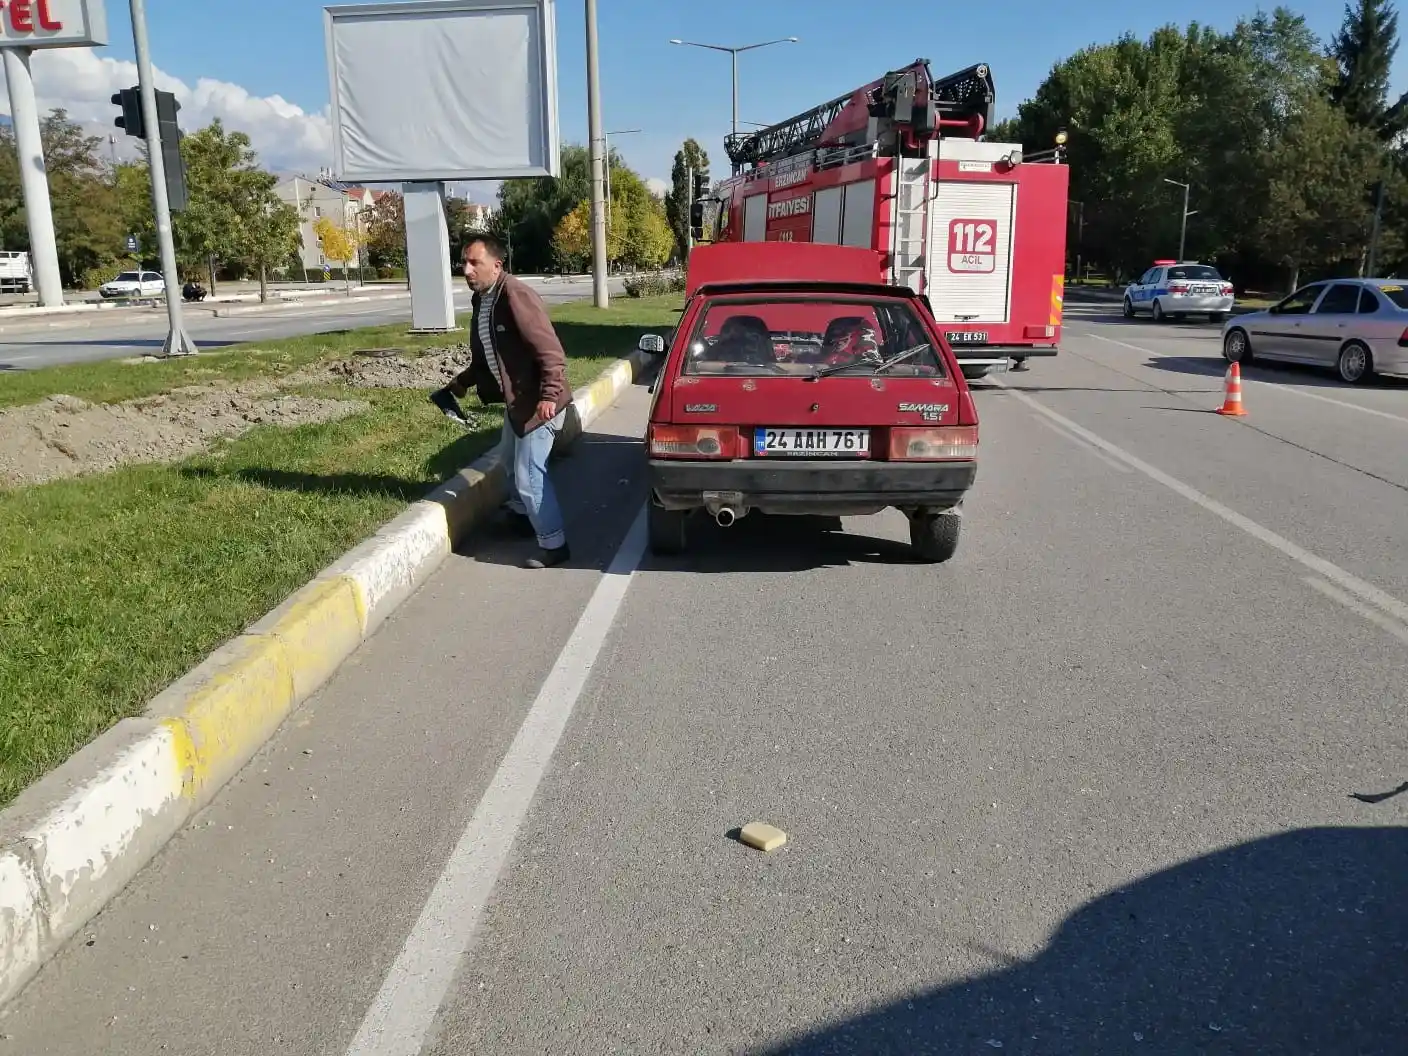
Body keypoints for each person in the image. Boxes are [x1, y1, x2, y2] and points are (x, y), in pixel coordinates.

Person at [430, 235, 573, 569]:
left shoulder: (515, 296)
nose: (466, 270)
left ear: (497, 265)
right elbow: (488, 357)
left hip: (539, 404)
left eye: (474, 263)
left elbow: (550, 351)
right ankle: (523, 517)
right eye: (463, 263)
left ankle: (554, 544)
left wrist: (550, 395)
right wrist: (462, 382)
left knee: (528, 475)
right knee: (508, 459)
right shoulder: (484, 300)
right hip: (518, 402)